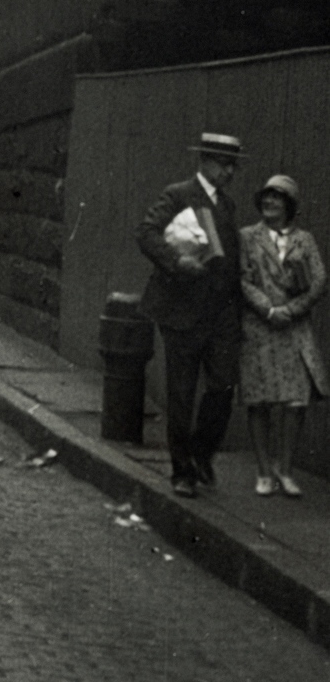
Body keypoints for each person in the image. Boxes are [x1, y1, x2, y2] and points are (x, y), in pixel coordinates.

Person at [136, 132, 244, 498]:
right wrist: (176, 261)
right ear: (206, 162)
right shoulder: (178, 194)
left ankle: (201, 452)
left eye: (233, 165)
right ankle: (182, 470)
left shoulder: (227, 206)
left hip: (221, 314)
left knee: (224, 385)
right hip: (182, 311)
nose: (229, 171)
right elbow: (146, 232)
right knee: (181, 392)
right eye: (223, 164)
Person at [238, 174, 328, 498]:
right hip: (260, 329)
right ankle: (264, 472)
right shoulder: (247, 237)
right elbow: (243, 279)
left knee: (295, 401)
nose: (269, 202)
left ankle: (285, 469)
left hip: (293, 329)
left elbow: (319, 281)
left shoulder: (305, 239)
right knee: (259, 400)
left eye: (277, 198)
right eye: (266, 197)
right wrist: (268, 309)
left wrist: (290, 310)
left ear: (289, 205)